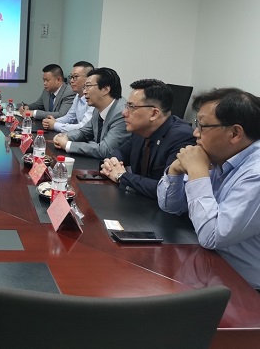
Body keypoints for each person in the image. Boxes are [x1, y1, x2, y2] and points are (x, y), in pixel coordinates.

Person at [157, 88, 260, 289]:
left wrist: (197, 172)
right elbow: (171, 206)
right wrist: (175, 171)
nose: (195, 133)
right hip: (210, 269)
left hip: (246, 290)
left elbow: (212, 236)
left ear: (235, 133)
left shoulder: (255, 174)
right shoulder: (220, 156)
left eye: (202, 126)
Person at [100, 79, 195, 199]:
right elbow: (121, 152)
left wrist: (122, 176)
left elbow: (167, 190)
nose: (124, 113)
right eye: (126, 106)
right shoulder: (141, 130)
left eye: (131, 107)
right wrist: (112, 163)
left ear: (154, 114)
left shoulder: (182, 137)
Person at [52, 67, 129, 159]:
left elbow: (106, 150)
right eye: (84, 87)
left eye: (88, 86)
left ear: (105, 89)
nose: (84, 91)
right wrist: (65, 136)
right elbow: (84, 132)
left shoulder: (122, 113)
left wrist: (68, 145)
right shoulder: (97, 108)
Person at [42, 61, 95, 133]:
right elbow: (70, 117)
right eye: (71, 77)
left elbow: (83, 127)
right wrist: (51, 121)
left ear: (89, 78)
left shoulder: (94, 98)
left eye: (76, 77)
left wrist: (55, 125)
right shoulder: (78, 95)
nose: (71, 81)